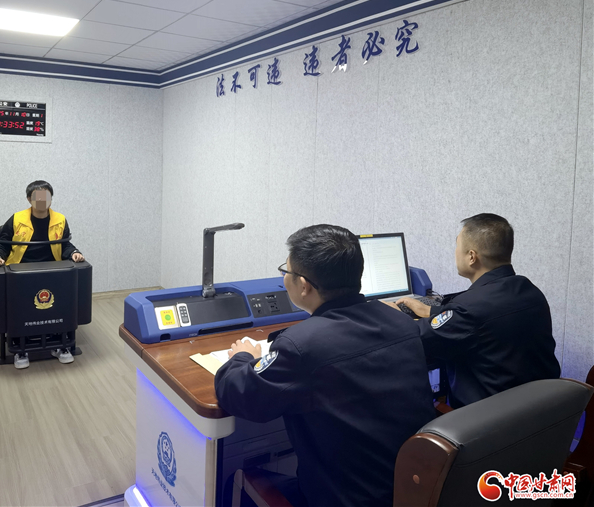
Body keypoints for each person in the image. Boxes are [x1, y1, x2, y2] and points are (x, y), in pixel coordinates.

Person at [214, 225, 435, 507]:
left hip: (345, 498)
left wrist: (242, 357)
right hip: (410, 490)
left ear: (303, 285)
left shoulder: (300, 346)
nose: (284, 279)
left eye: (286, 271)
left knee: (235, 480)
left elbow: (239, 394)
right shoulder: (402, 323)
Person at [392, 213, 560, 408]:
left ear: (471, 256)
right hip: (537, 413)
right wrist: (432, 311)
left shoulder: (469, 309)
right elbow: (481, 319)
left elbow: (417, 337)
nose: (455, 252)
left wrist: (390, 313)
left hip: (486, 420)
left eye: (457, 245)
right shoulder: (530, 292)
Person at [0, 180, 85, 367]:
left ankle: (61, 345)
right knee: (22, 307)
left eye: (46, 197)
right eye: (37, 197)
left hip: (52, 270)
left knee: (59, 303)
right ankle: (20, 349)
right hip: (21, 270)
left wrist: (74, 252)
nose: (42, 201)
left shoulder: (60, 219)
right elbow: (3, 243)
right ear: (29, 199)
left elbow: (65, 244)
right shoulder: (16, 219)